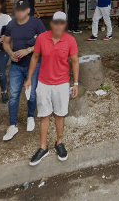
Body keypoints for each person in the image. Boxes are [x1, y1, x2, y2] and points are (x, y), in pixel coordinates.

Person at [26, 11, 79, 166]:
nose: (58, 25)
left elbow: (75, 61)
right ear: (51, 23)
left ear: (65, 24)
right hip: (43, 83)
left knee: (59, 115)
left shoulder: (70, 40)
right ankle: (43, 147)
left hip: (62, 84)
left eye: (62, 22)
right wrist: (29, 78)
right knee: (44, 116)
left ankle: (59, 142)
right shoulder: (42, 38)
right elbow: (35, 57)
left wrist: (75, 83)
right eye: (56, 22)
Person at [1, 0, 46, 141]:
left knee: (31, 94)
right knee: (13, 95)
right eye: (16, 10)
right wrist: (10, 53)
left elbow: (45, 41)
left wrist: (29, 50)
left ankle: (30, 116)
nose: (18, 13)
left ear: (27, 11)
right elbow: (6, 42)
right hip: (16, 66)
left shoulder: (36, 23)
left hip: (33, 64)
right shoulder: (11, 24)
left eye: (21, 10)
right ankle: (12, 124)